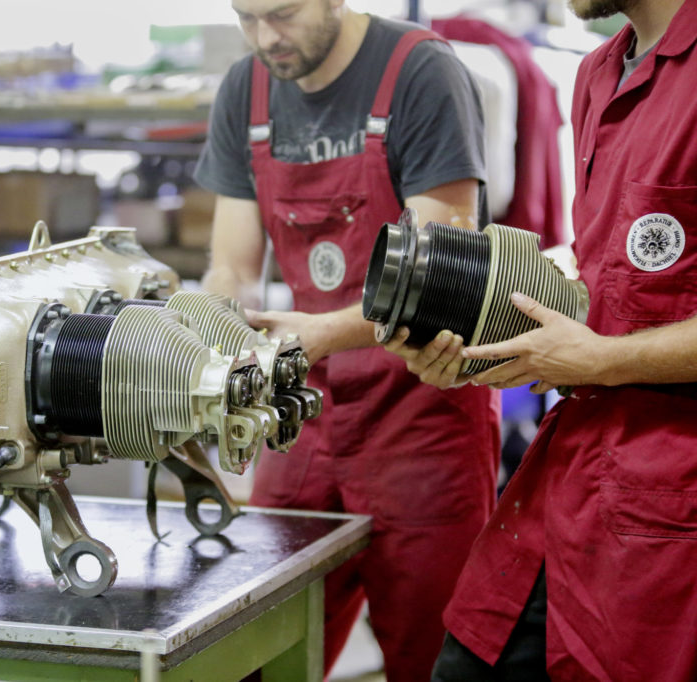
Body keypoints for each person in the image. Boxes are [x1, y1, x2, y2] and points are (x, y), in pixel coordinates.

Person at [382, 0, 697, 679]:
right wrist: (482, 342)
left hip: (673, 502)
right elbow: (605, 276)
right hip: (576, 469)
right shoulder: (597, 73)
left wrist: (603, 359)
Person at [192, 1, 502, 680]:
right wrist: (213, 324)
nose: (265, 37)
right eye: (246, 17)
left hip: (421, 410)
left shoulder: (420, 73)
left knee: (430, 655)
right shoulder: (246, 91)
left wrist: (327, 332)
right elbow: (234, 266)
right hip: (302, 412)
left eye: (282, 13)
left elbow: (442, 271)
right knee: (260, 643)